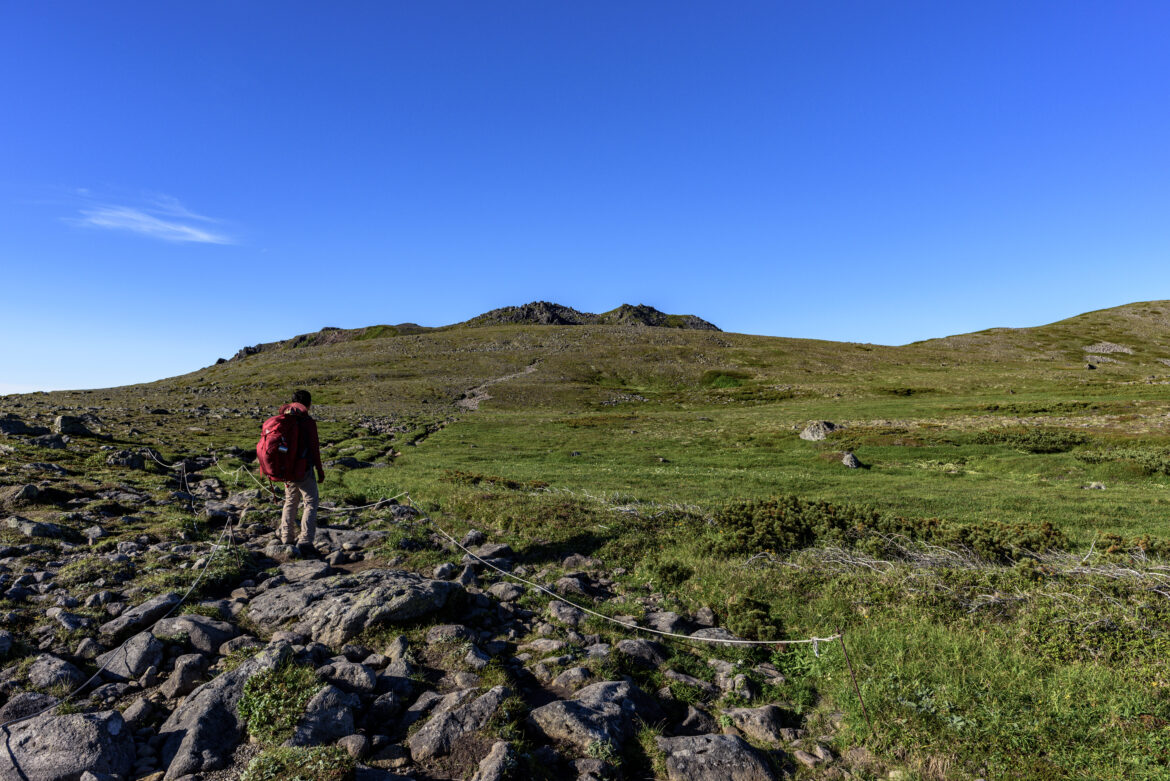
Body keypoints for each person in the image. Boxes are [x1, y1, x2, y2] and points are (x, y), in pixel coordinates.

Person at [277, 389, 325, 556]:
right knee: (310, 502)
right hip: (304, 469)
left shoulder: (286, 420)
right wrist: (320, 470)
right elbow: (314, 449)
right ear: (309, 404)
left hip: (287, 469)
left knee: (290, 501)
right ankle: (305, 540)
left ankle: (286, 538)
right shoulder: (308, 422)